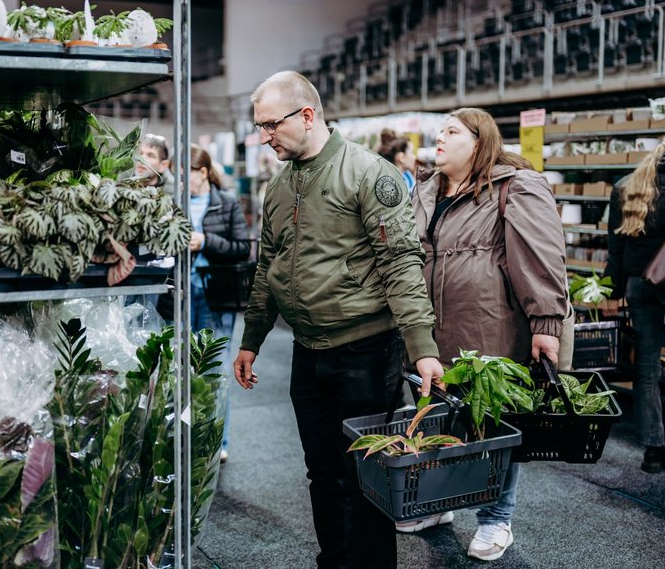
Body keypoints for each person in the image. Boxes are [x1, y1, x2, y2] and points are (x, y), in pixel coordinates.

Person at [233, 71, 443, 569]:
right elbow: (268, 267)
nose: (265, 136)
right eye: (259, 126)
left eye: (270, 125)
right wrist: (251, 340)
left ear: (307, 115)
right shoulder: (279, 188)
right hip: (308, 354)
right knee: (322, 474)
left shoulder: (370, 174)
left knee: (366, 478)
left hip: (366, 353)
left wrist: (423, 346)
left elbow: (401, 266)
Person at [409, 108, 568, 561]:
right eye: (439, 130)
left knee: (495, 427)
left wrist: (546, 325)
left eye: (452, 131)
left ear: (478, 143)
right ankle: (441, 504)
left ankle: (496, 519)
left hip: (491, 327)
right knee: (443, 419)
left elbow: (540, 257)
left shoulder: (515, 186)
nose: (439, 138)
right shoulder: (426, 188)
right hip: (436, 328)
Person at [603, 140, 665, 474]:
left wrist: (611, 292)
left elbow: (615, 246)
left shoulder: (626, 187)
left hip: (639, 286)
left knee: (647, 366)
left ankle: (654, 449)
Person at [187, 145, 250, 462]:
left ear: (202, 172)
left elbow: (242, 248)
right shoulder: (175, 204)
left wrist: (206, 241)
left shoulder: (226, 203)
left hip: (216, 296)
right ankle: (186, 436)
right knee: (182, 369)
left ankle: (217, 441)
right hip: (181, 297)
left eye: (187, 174)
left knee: (215, 368)